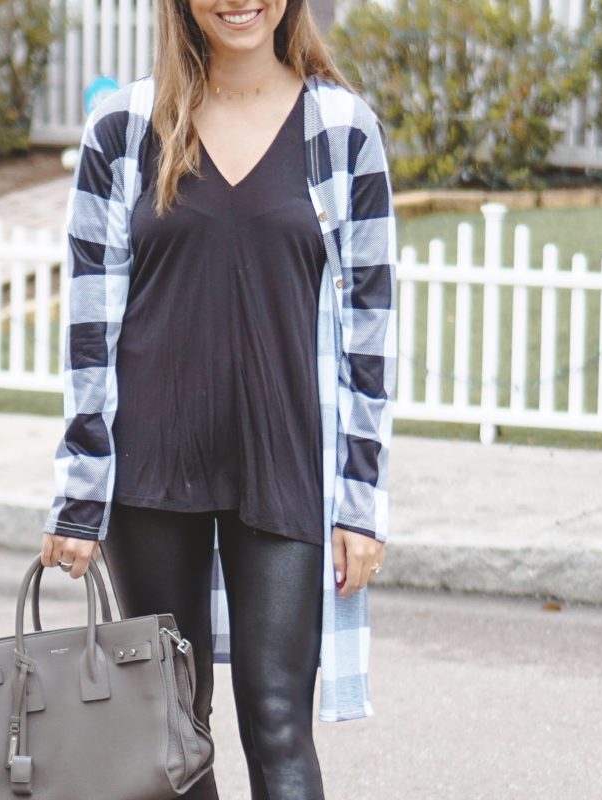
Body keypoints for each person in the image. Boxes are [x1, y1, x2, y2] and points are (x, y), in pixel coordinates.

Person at [39, 0, 398, 797]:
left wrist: (360, 504)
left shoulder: (338, 128)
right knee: (170, 733)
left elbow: (370, 330)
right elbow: (91, 324)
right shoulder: (124, 127)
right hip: (151, 472)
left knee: (277, 725)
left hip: (285, 467)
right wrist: (78, 495)